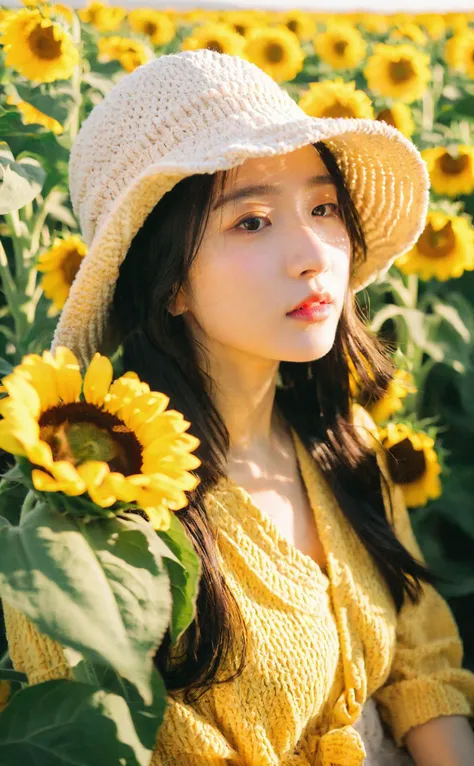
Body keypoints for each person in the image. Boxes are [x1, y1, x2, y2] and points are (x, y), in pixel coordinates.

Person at [4, 49, 474, 766]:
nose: (314, 252)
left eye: (323, 207)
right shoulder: (92, 516)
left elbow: (423, 663)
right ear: (170, 283)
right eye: (252, 221)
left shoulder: (346, 441)